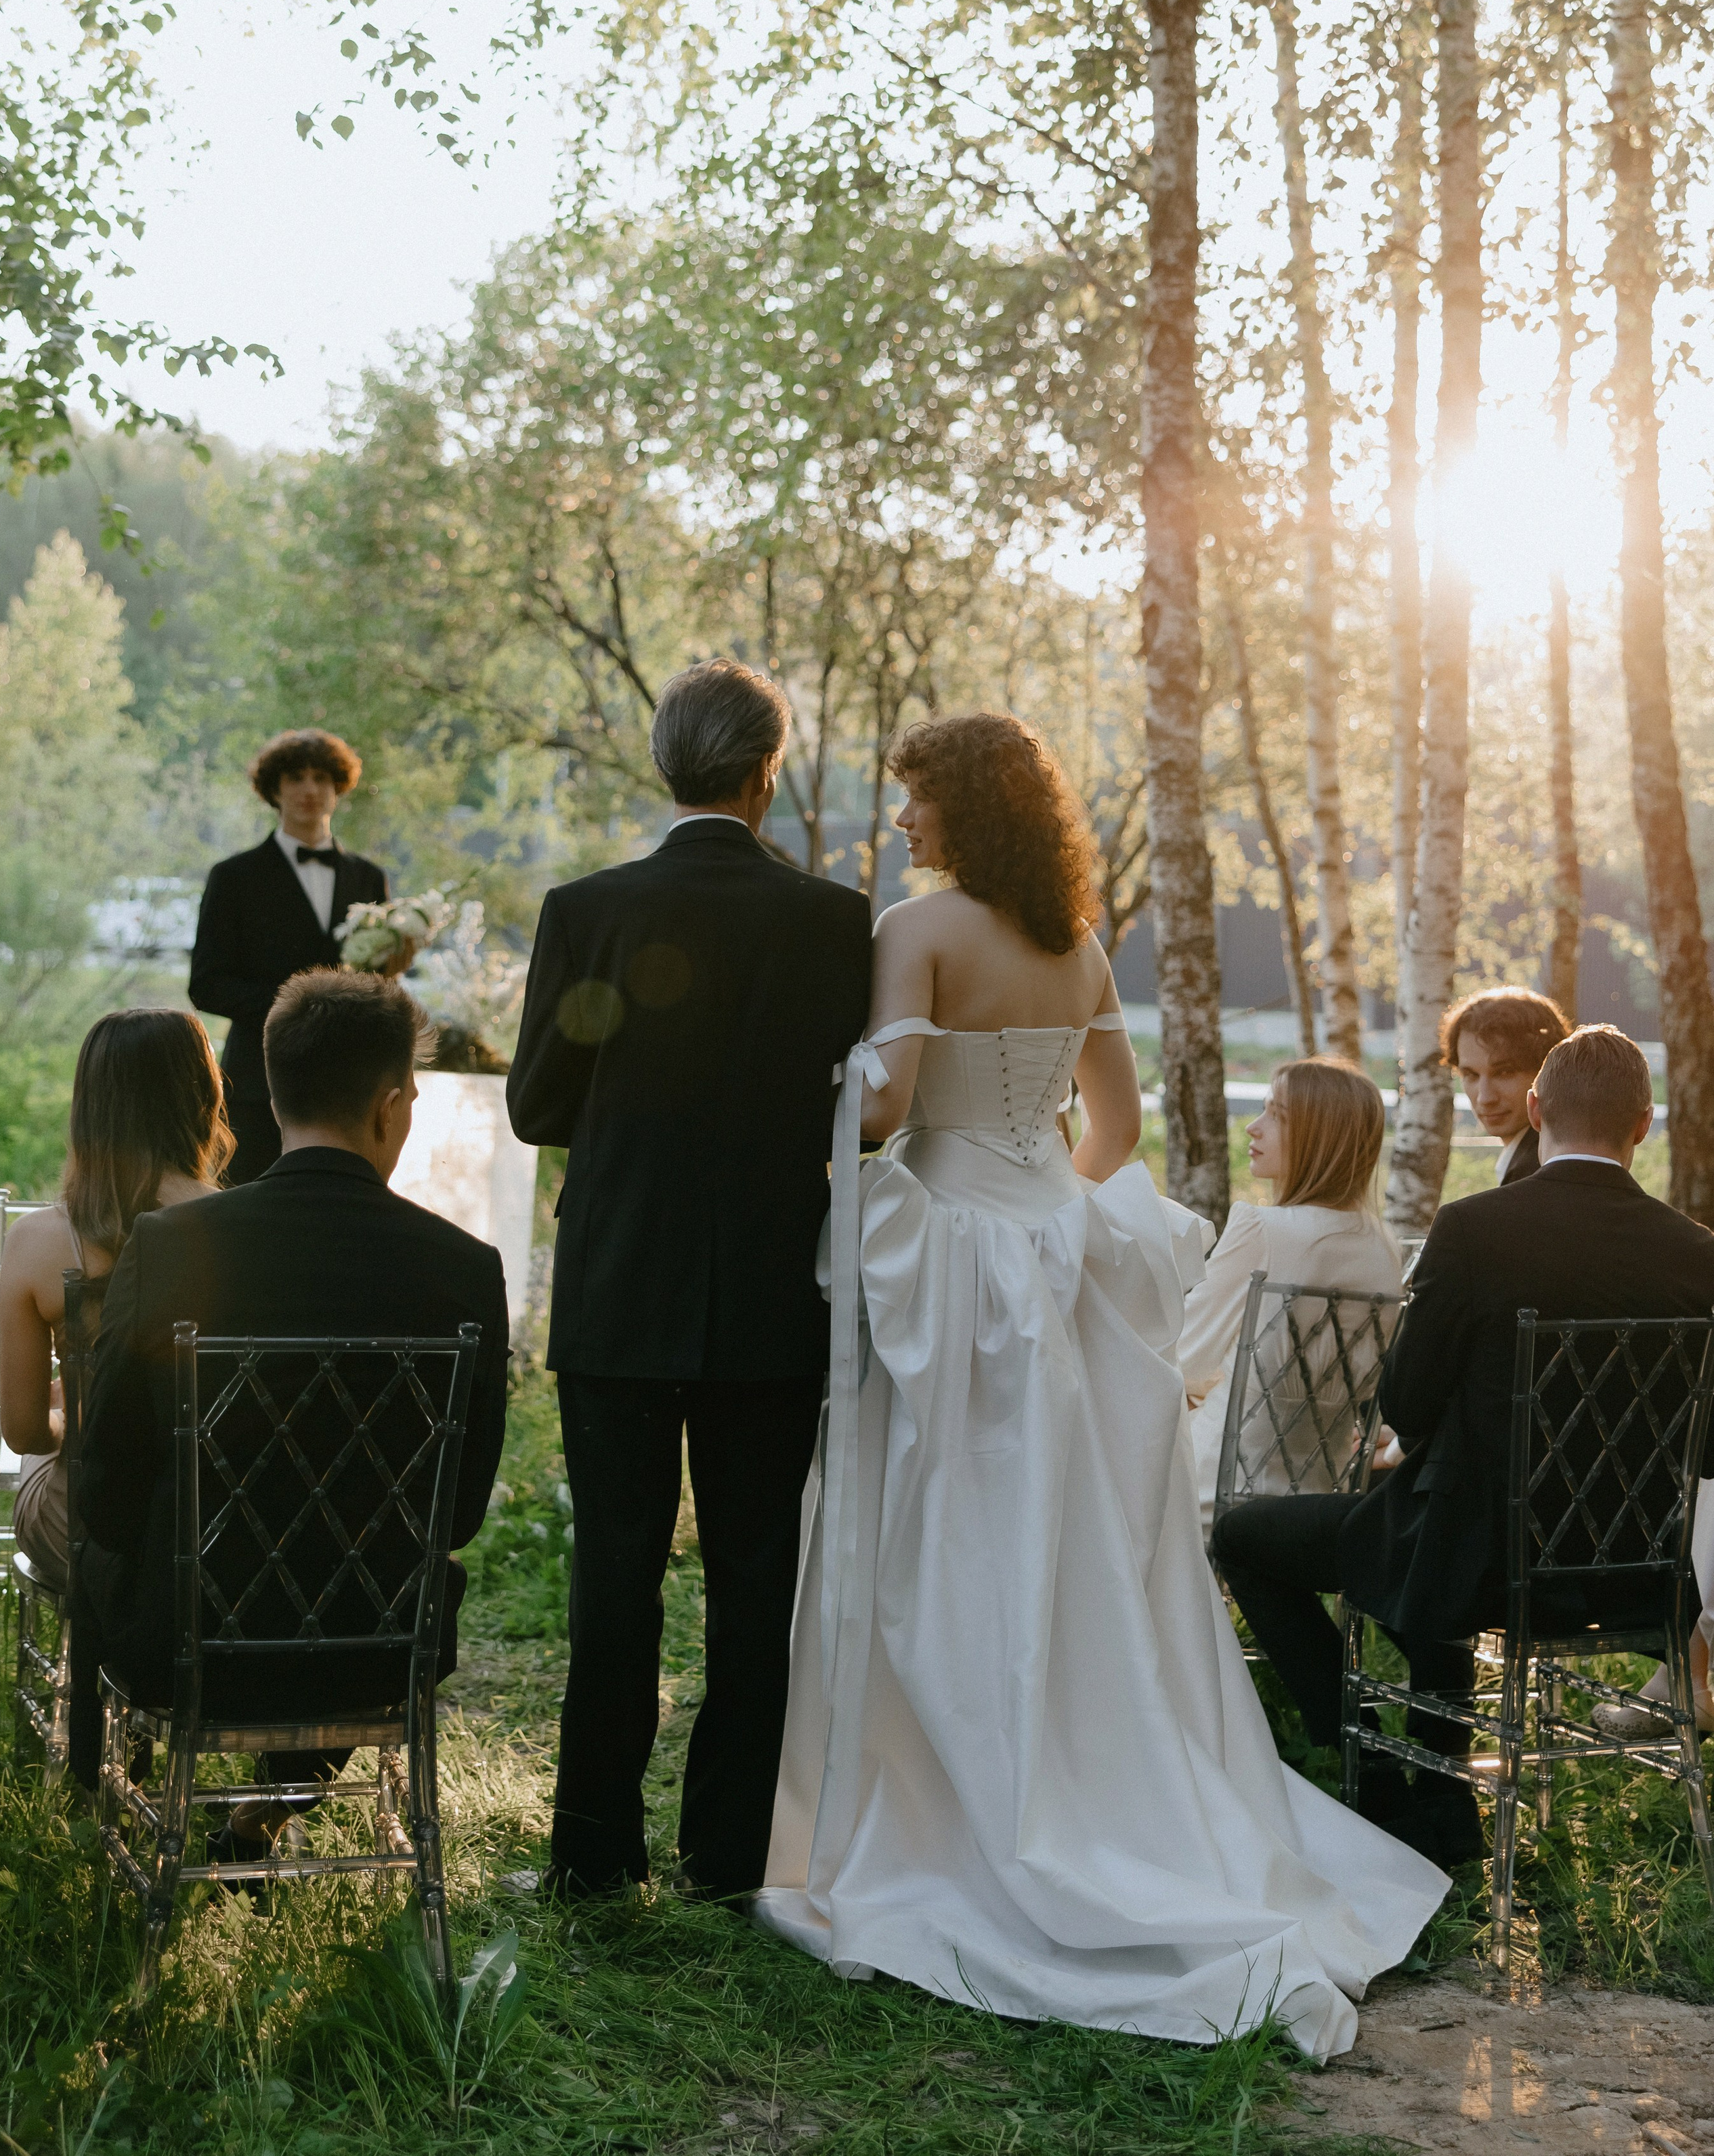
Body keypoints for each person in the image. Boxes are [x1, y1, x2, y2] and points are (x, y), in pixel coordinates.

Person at [755, 711, 1446, 2060]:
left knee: (940, 1529)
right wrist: (1040, 1224)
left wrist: (827, 1089)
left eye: (915, 800)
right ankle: (1088, 1769)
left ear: (965, 808)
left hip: (949, 1268)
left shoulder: (917, 927)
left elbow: (886, 1110)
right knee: (1065, 1539)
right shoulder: (1075, 944)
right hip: (1048, 1265)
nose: (901, 822)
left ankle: (944, 1807)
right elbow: (1116, 1128)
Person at [507, 658, 871, 1905]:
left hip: (620, 1282)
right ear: (770, 772)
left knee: (613, 1574)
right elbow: (855, 1116)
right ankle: (729, 1858)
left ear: (666, 764)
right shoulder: (835, 921)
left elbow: (536, 1107)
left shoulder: (587, 909)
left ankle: (593, 1856)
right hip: (773, 1290)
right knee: (756, 1580)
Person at [1214, 1023, 1714, 1872]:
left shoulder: (1474, 1228)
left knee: (1248, 1538)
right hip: (1636, 1577)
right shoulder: (1699, 1254)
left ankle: (1377, 1772)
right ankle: (1441, 1794)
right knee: (1429, 1521)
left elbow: (1407, 1404)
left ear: (1535, 1109)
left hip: (1474, 1564)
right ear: (1642, 1125)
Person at [73, 971, 509, 1836]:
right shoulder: (464, 1267)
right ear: (391, 1106)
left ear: (271, 1097)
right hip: (376, 1651)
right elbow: (456, 1513)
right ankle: (268, 1812)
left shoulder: (170, 1246)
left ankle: (109, 1800)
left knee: (103, 1552)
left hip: (183, 1642)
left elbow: (106, 1482)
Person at [1, 1010, 232, 1592]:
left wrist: (73, 1410)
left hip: (91, 1534)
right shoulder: (238, 1228)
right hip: (218, 1529)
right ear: (204, 1099)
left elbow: (23, 1432)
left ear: (88, 1106)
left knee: (47, 1436)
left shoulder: (36, 1241)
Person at [1176, 1058, 1401, 1534]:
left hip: (1214, 1488)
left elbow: (1184, 1356)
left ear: (1319, 1137)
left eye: (1276, 1115)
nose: (1253, 1127)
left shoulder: (1262, 1228)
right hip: (1323, 1498)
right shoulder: (1385, 1248)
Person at [188, 729, 391, 1186]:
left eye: (321, 778)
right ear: (274, 790)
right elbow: (206, 984)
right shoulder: (233, 877)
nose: (309, 789)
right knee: (247, 1207)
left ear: (338, 787)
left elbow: (379, 983)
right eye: (296, 778)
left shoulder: (368, 878)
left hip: (348, 1083)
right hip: (257, 1081)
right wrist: (302, 1007)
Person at [1443, 986, 1572, 1187]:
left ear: (1547, 1070)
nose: (1485, 1098)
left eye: (1504, 1073)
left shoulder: (1539, 1174)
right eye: (1471, 1075)